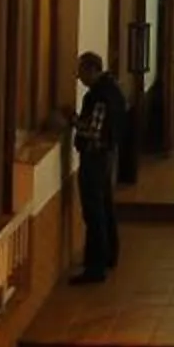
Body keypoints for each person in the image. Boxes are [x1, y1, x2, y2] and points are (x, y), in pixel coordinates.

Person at [71, 52, 128, 284]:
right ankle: (109, 255)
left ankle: (95, 267)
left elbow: (93, 130)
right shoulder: (114, 90)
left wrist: (72, 121)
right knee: (105, 207)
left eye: (82, 71)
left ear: (93, 69)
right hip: (107, 156)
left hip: (94, 157)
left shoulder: (98, 95)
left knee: (93, 212)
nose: (79, 77)